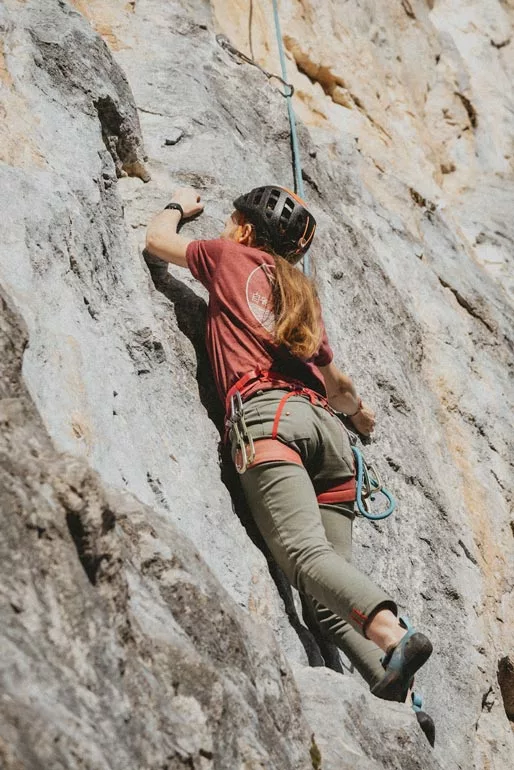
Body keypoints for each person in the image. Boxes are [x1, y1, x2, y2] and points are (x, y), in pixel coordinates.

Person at [145, 185, 434, 742]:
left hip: (269, 419)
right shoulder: (299, 290)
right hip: (328, 433)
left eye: (233, 221)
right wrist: (362, 415)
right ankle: (396, 693)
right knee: (327, 598)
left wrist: (178, 205)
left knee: (302, 557)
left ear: (247, 231)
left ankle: (393, 634)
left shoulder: (226, 256)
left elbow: (158, 242)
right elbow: (338, 384)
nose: (228, 227)